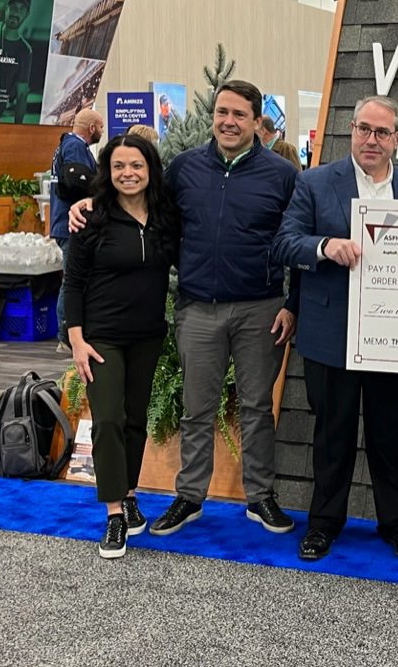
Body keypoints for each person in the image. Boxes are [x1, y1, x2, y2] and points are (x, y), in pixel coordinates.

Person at [71, 80, 300, 538]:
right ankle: (190, 496)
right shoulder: (183, 169)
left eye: (239, 114)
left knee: (255, 406)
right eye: (222, 112)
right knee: (198, 409)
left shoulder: (282, 175)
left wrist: (292, 304)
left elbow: (296, 238)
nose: (228, 122)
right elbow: (138, 200)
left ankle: (260, 498)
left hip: (260, 306)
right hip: (197, 309)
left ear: (258, 122)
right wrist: (89, 203)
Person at [271, 95, 398, 563]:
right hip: (330, 333)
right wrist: (325, 246)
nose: (371, 139)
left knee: (391, 436)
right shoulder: (316, 182)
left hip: (395, 338)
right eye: (364, 128)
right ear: (352, 130)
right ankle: (324, 524)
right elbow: (285, 242)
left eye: (382, 132)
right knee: (332, 435)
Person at [64, 133, 177, 559]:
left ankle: (128, 494)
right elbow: (72, 283)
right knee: (108, 419)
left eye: (136, 166)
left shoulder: (166, 216)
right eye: (118, 167)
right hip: (100, 338)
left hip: (147, 335)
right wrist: (76, 339)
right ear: (107, 172)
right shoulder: (91, 218)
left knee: (134, 421)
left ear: (150, 170)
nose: (127, 174)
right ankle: (114, 514)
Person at [50, 108, 103, 350]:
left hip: (66, 222)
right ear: (92, 127)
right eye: (101, 127)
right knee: (73, 279)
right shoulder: (75, 147)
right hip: (72, 223)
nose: (102, 132)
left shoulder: (67, 146)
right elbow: (77, 183)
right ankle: (65, 334)